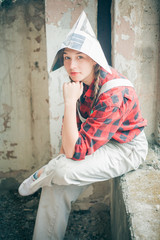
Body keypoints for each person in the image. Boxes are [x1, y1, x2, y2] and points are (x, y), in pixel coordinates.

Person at [18, 11, 148, 240]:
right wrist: (63, 156)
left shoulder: (114, 94)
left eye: (80, 57)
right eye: (67, 57)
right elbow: (69, 136)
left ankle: (45, 172)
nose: (71, 65)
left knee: (59, 170)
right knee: (56, 183)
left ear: (94, 59)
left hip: (126, 148)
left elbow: (75, 150)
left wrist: (69, 101)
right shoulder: (81, 83)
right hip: (97, 141)